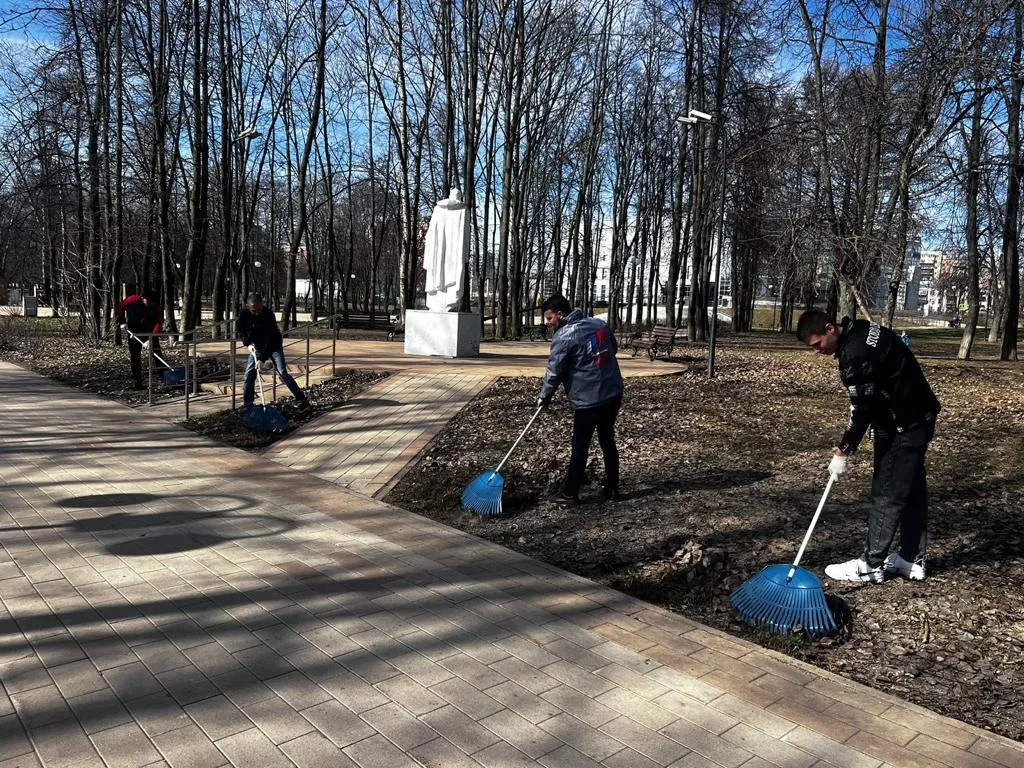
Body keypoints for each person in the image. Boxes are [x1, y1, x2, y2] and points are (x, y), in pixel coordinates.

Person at [796, 309, 941, 583]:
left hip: (902, 425)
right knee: (911, 491)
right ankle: (911, 559)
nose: (817, 352)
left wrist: (843, 451)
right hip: (918, 416)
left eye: (817, 345)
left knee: (887, 492)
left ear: (830, 329)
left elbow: (862, 408)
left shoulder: (854, 355)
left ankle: (871, 565)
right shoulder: (861, 329)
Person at [536, 294, 624, 502]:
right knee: (607, 440)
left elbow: (554, 371)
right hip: (612, 392)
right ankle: (613, 488)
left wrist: (544, 397)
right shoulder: (599, 325)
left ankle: (570, 492)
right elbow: (613, 349)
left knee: (580, 445)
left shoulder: (563, 337)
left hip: (588, 399)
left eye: (549, 319)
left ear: (560, 314)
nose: (548, 323)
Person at [236, 293, 310, 411]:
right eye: (254, 310)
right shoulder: (244, 315)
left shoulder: (268, 314)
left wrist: (261, 358)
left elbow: (268, 338)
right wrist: (247, 344)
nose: (257, 313)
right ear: (247, 307)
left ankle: (301, 399)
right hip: (256, 347)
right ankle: (248, 404)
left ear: (262, 305)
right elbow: (241, 331)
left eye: (259, 309)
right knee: (249, 374)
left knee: (282, 372)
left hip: (273, 345)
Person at [116, 289, 164, 390]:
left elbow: (158, 323)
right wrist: (122, 321)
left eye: (152, 302)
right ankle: (137, 382)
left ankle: (165, 377)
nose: (150, 304)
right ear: (143, 298)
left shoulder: (155, 307)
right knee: (135, 356)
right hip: (134, 332)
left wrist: (151, 338)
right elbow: (120, 307)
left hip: (149, 332)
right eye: (149, 301)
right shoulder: (132, 300)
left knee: (157, 354)